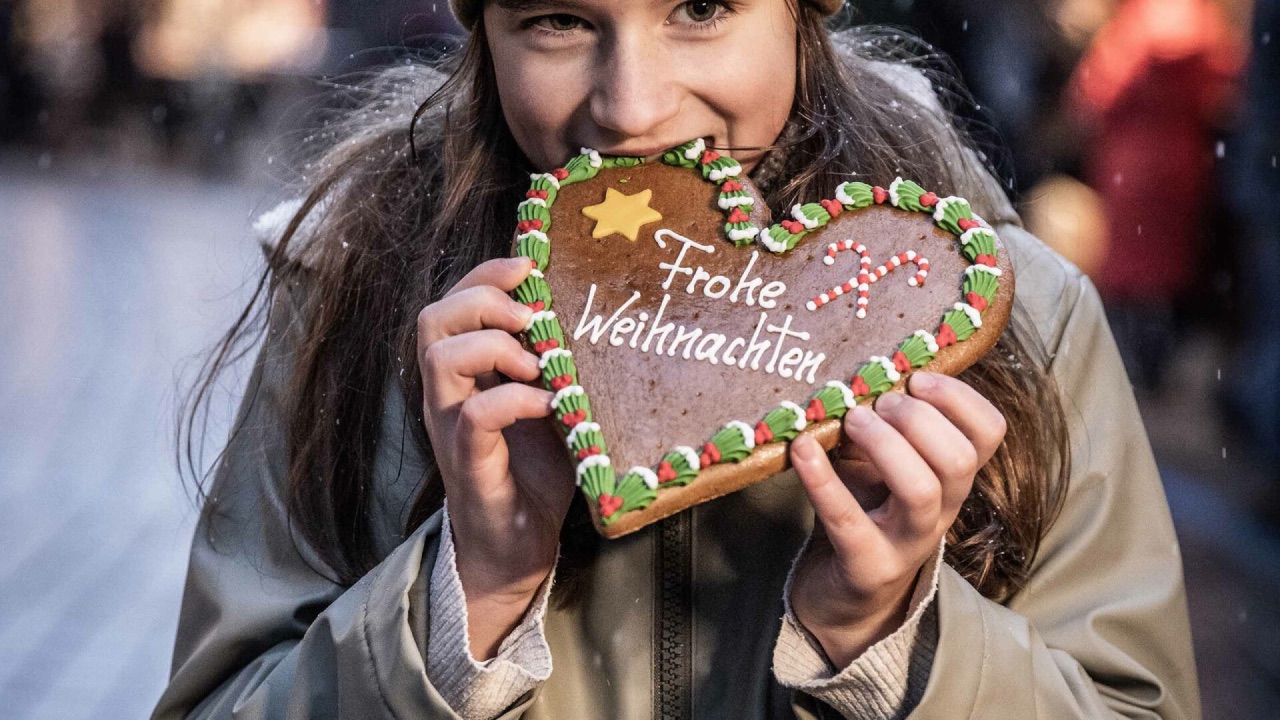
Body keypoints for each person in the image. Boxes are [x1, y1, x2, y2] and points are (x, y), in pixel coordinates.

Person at [154, 1, 1199, 718]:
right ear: (485, 31)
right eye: (559, 19)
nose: (632, 107)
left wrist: (891, 639)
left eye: (700, 6)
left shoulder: (1015, 316)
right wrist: (464, 593)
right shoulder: (349, 298)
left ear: (800, 13)